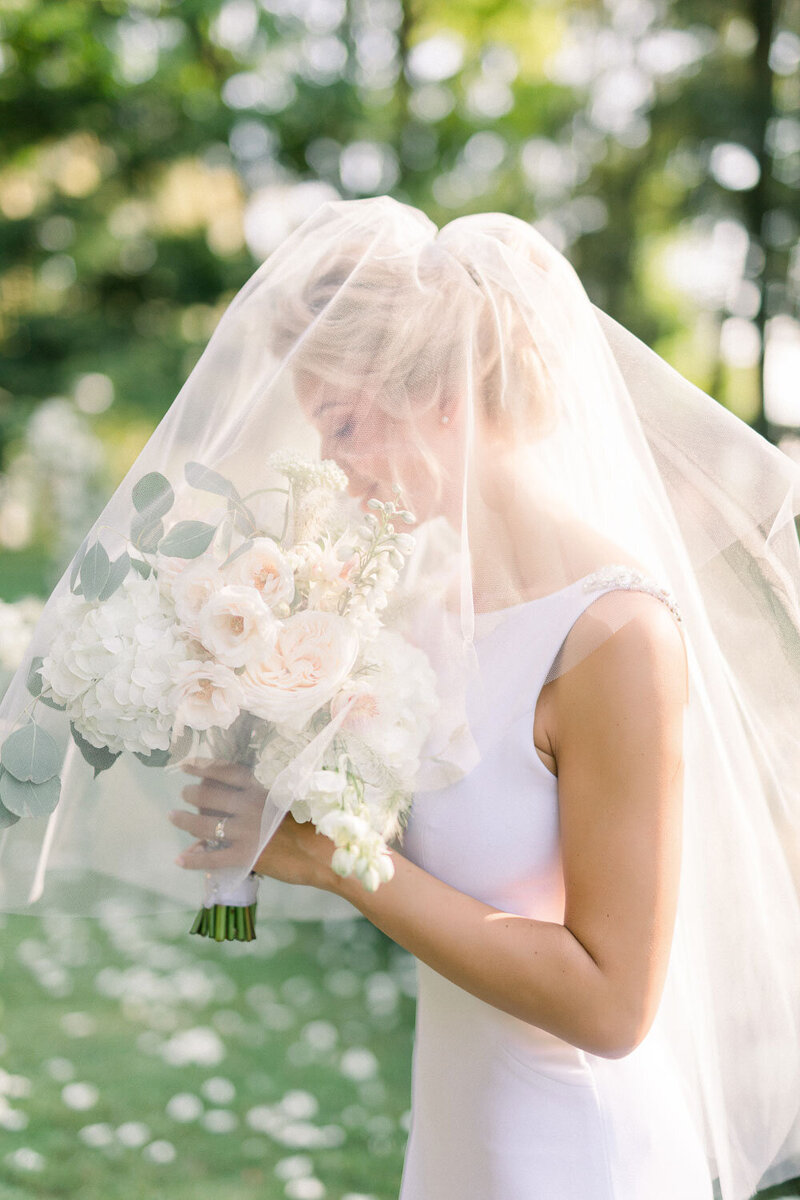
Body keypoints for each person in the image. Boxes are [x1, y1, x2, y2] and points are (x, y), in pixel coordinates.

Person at [2, 195, 799, 1199]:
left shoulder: (614, 638)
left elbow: (610, 1003)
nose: (330, 462)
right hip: (461, 1122)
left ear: (449, 398)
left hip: (575, 1150)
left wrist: (338, 862)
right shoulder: (420, 607)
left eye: (343, 422)